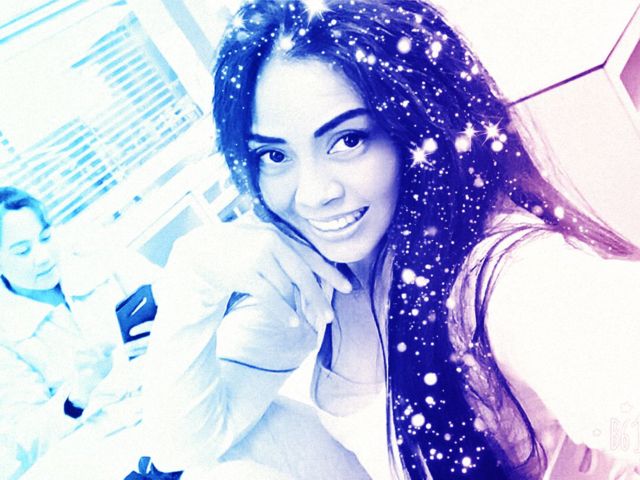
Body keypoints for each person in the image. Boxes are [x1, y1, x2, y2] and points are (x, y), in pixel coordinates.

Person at [143, 0, 640, 479]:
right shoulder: (320, 278)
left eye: (348, 140)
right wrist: (193, 275)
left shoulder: (509, 279)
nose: (313, 194)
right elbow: (184, 444)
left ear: (415, 129)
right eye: (275, 156)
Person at [0, 187, 157, 479]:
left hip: (168, 401)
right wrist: (80, 391)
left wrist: (166, 331)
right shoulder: (6, 335)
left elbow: (177, 296)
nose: (43, 257)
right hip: (110, 452)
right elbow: (26, 446)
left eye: (45, 237)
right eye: (22, 251)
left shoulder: (96, 256)